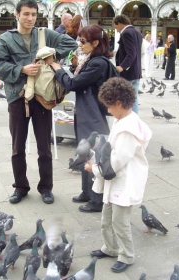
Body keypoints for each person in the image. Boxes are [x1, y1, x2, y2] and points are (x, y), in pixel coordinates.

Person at [0, 0, 78, 205]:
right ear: (17, 15)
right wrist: (22, 69)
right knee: (17, 147)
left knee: (44, 147)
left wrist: (50, 57)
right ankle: (20, 187)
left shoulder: (44, 34)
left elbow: (71, 43)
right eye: (26, 14)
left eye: (33, 14)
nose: (30, 18)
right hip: (17, 97)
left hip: (42, 98)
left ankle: (46, 187)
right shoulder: (6, 39)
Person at [86, 77, 152, 273]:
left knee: (119, 222)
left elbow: (116, 162)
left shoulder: (127, 129)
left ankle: (126, 254)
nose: (108, 110)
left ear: (119, 103)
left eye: (109, 106)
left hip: (124, 181)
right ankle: (111, 247)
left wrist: (94, 169)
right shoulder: (123, 120)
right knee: (107, 219)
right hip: (116, 182)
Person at [50, 24, 118, 213]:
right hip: (87, 112)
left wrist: (57, 67)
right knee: (85, 154)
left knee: (94, 157)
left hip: (92, 115)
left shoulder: (98, 63)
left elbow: (72, 84)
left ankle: (96, 200)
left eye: (83, 41)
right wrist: (74, 66)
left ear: (95, 42)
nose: (79, 44)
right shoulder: (95, 60)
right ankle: (87, 192)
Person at [113, 14, 142, 114]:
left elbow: (131, 53)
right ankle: (134, 121)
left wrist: (122, 66)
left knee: (127, 100)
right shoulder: (137, 33)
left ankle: (131, 122)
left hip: (128, 72)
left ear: (120, 23)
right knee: (133, 99)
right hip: (136, 71)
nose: (117, 30)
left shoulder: (126, 33)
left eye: (116, 27)